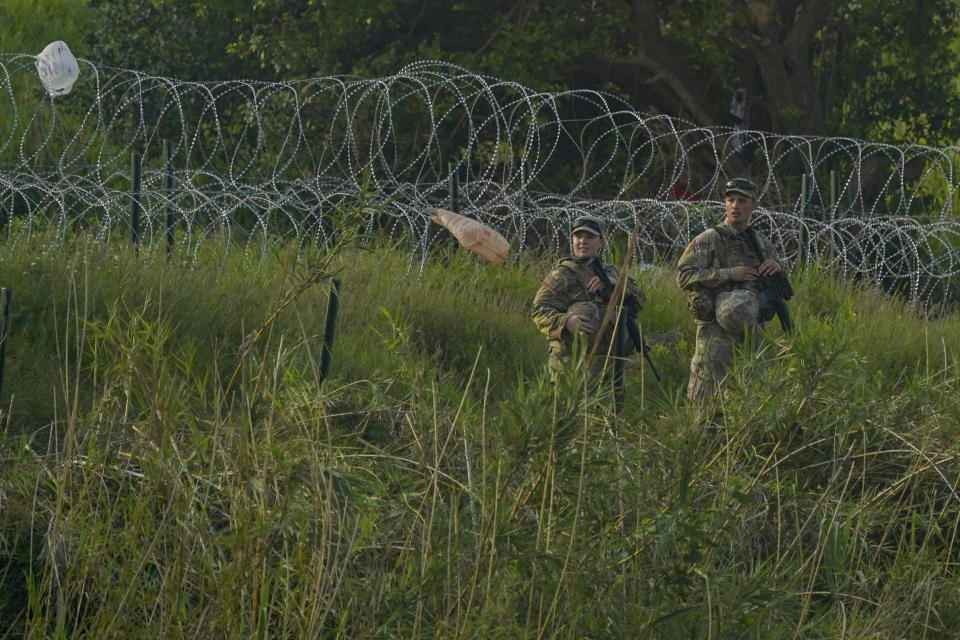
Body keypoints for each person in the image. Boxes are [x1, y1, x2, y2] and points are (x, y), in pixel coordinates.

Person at [676, 178, 784, 403]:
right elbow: (683, 275)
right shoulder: (709, 239)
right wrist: (728, 274)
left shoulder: (763, 245)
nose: (735, 205)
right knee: (703, 404)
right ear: (725, 204)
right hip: (715, 337)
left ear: (753, 205)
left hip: (752, 335)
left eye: (742, 201)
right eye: (731, 200)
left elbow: (779, 289)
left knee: (752, 401)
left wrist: (779, 269)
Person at [532, 215, 646, 383]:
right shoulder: (562, 274)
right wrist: (566, 322)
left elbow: (640, 300)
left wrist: (615, 285)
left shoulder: (610, 272)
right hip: (572, 365)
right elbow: (538, 310)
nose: (582, 241)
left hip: (610, 362)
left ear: (601, 242)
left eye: (590, 237)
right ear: (572, 240)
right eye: (578, 236)